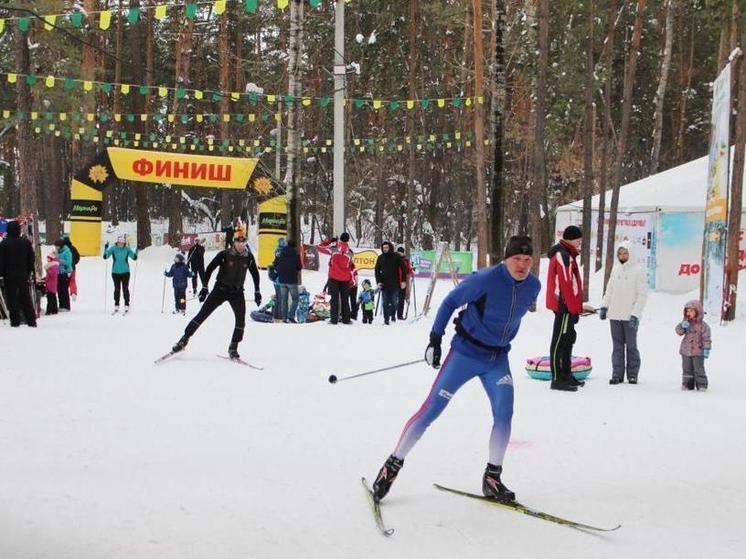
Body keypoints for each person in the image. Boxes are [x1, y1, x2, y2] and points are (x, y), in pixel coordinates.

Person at [371, 236, 540, 503]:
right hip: (465, 354)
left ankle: (492, 478)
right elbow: (450, 302)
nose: (522, 265)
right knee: (431, 410)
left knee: (505, 413)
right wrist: (435, 340)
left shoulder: (533, 286)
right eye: (517, 259)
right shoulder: (485, 280)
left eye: (527, 260)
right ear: (506, 259)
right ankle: (391, 468)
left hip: (497, 359)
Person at [171, 234, 261, 359]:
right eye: (238, 242)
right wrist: (204, 287)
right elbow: (209, 269)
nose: (241, 245)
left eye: (243, 242)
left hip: (237, 292)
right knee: (202, 315)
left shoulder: (248, 257)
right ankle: (184, 339)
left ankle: (233, 347)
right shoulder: (224, 254)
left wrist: (257, 291)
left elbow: (255, 274)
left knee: (241, 320)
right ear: (234, 242)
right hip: (220, 290)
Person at [545, 225, 593, 392]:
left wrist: (578, 306)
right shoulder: (563, 255)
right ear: (570, 239)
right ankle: (557, 378)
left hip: (568, 305)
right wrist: (574, 309)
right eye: (578, 240)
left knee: (568, 338)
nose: (580, 243)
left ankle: (566, 373)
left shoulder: (568, 255)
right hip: (563, 305)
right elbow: (565, 285)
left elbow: (572, 286)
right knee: (559, 341)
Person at [599, 242, 648, 384]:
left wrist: (636, 314)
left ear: (631, 254)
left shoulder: (638, 270)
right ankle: (617, 374)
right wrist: (604, 306)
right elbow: (609, 290)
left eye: (625, 253)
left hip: (629, 316)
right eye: (620, 253)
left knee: (631, 346)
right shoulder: (616, 270)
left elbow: (642, 295)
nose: (622, 256)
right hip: (615, 315)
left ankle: (632, 374)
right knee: (617, 347)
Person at [0, 220, 37, 327]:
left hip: (9, 274)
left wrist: (1, 273)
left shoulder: (4, 243)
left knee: (12, 298)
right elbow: (31, 258)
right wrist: (29, 271)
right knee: (25, 297)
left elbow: (1, 260)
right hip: (23, 273)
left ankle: (15, 321)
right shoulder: (25, 242)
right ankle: (31, 320)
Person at [675, 300, 711, 391]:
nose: (688, 313)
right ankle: (687, 384)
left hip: (698, 351)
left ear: (698, 311)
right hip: (686, 350)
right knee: (687, 369)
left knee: (698, 369)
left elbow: (706, 338)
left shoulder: (703, 326)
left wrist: (706, 348)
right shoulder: (686, 323)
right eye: (687, 311)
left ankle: (702, 384)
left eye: (691, 311)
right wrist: (682, 326)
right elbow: (679, 332)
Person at [374, 241, 407, 325]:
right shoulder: (380, 258)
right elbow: (377, 270)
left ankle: (393, 315)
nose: (385, 249)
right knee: (385, 302)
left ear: (390, 248)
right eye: (383, 248)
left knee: (394, 302)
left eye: (386, 248)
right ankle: (386, 319)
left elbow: (403, 269)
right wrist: (378, 282)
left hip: (395, 284)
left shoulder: (396, 257)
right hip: (384, 284)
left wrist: (403, 281)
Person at [103, 235, 138, 314]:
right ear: (117, 242)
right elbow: (105, 256)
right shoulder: (113, 248)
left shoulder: (127, 249)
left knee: (125, 288)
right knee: (117, 289)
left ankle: (126, 304)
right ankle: (116, 304)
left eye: (122, 243)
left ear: (124, 243)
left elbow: (134, 257)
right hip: (115, 272)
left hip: (125, 272)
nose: (121, 245)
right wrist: (106, 248)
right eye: (119, 243)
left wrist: (137, 250)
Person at [327, 232, 355, 325]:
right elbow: (350, 266)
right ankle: (346, 319)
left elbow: (319, 247)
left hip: (333, 277)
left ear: (340, 239)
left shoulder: (334, 249)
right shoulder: (350, 253)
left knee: (334, 299)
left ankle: (333, 319)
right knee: (345, 299)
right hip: (345, 279)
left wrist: (330, 242)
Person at [273, 239, 302, 323]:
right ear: (294, 246)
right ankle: (291, 315)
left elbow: (275, 263)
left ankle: (284, 318)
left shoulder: (281, 253)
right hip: (292, 280)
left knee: (284, 300)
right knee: (295, 299)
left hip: (282, 280)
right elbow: (299, 267)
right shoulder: (296, 254)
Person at [268, 237, 287, 321]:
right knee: (281, 299)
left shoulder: (277, 252)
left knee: (278, 298)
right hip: (280, 280)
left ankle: (276, 314)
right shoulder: (283, 254)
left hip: (276, 280)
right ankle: (279, 316)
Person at [55, 238, 74, 312]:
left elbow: (68, 263)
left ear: (61, 246)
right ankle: (61, 305)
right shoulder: (58, 252)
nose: (56, 248)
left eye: (57, 246)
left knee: (64, 289)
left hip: (66, 273)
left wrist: (58, 260)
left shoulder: (67, 252)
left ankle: (66, 306)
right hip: (59, 273)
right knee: (59, 289)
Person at [396, 246, 414, 320]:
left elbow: (408, 270)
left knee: (401, 299)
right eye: (398, 252)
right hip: (395, 281)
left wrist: (411, 272)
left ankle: (399, 315)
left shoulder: (406, 260)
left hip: (403, 281)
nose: (400, 254)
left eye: (401, 253)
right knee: (393, 298)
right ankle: (391, 314)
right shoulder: (394, 259)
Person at [63, 236, 80, 301]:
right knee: (72, 281)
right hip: (72, 268)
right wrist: (74, 263)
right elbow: (77, 257)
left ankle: (65, 295)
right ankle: (73, 293)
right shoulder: (73, 248)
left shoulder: (63, 249)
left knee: (64, 282)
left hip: (64, 268)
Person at [44, 250, 59, 315]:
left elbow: (52, 275)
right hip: (50, 284)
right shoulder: (52, 266)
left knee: (50, 298)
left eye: (48, 258)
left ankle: (49, 311)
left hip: (51, 285)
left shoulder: (53, 266)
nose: (47, 259)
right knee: (53, 297)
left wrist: (47, 269)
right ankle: (54, 310)